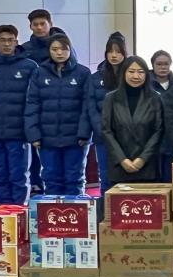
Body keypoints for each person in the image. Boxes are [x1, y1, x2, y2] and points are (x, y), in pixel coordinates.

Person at [0, 25, 38, 205]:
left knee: (19, 174)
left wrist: (31, 128)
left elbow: (35, 101)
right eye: (2, 40)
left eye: (10, 40)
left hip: (19, 132)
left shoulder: (29, 67)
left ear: (16, 42)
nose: (6, 44)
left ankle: (20, 208)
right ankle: (3, 207)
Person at [24, 35, 92, 196]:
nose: (59, 53)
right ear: (49, 51)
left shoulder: (83, 73)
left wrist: (84, 133)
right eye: (55, 49)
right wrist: (33, 134)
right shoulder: (39, 73)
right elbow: (32, 104)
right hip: (47, 138)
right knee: (51, 178)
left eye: (63, 49)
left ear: (70, 50)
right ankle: (53, 211)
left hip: (76, 138)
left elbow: (87, 105)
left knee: (74, 178)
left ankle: (75, 211)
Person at [101, 56, 164, 185]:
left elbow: (159, 130)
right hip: (119, 165)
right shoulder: (111, 98)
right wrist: (122, 159)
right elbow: (106, 131)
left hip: (148, 165)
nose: (136, 76)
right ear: (123, 73)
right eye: (131, 71)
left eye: (140, 72)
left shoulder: (155, 98)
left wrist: (142, 158)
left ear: (146, 75)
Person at [86, 32, 126, 194]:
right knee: (105, 176)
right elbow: (91, 106)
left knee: (125, 176)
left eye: (118, 51)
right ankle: (105, 208)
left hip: (126, 136)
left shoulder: (130, 75)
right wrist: (102, 129)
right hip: (103, 136)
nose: (114, 55)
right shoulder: (95, 78)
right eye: (110, 51)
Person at [149, 50, 173, 182]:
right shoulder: (145, 85)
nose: (163, 67)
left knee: (171, 181)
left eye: (166, 64)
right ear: (153, 65)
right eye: (159, 64)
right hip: (151, 140)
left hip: (172, 141)